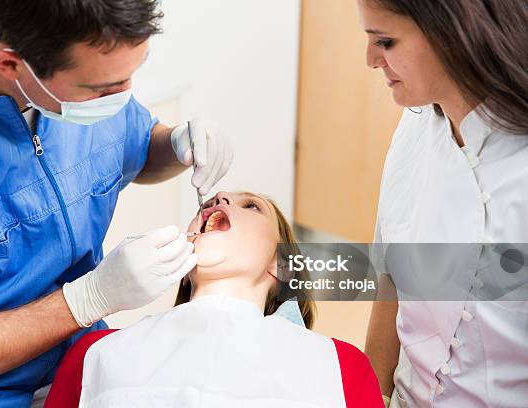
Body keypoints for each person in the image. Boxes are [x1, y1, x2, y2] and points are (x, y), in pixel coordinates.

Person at [0, 1, 232, 406]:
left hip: (86, 363)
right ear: (10, 65)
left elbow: (130, 144)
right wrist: (85, 299)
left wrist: (175, 144)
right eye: (101, 90)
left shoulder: (76, 63)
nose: (122, 95)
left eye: (132, 74)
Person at [43, 191, 384, 408]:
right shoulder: (93, 355)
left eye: (251, 205)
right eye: (209, 203)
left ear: (281, 266)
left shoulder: (339, 367)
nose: (218, 198)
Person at [356, 0, 528, 407]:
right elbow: (391, 278)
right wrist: (372, 396)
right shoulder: (415, 129)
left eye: (385, 41)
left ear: (453, 33)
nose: (370, 59)